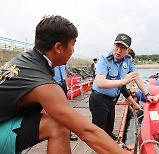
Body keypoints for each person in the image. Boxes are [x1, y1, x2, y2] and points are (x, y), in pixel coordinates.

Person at [0, 15, 131, 154]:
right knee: (59, 125)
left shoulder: (25, 59)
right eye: (73, 44)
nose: (73, 50)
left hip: (7, 120)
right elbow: (86, 131)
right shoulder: (43, 84)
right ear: (58, 47)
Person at [89, 33, 155, 140]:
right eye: (117, 46)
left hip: (112, 101)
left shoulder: (127, 60)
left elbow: (136, 77)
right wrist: (123, 81)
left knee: (109, 129)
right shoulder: (104, 59)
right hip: (99, 99)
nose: (118, 50)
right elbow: (100, 82)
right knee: (99, 133)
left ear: (128, 50)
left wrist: (147, 94)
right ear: (113, 46)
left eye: (123, 48)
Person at [54, 65, 78, 141]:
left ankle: (67, 133)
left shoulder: (63, 60)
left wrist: (67, 86)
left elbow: (64, 73)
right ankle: (55, 132)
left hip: (63, 84)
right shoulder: (50, 58)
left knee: (66, 109)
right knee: (54, 110)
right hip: (53, 85)